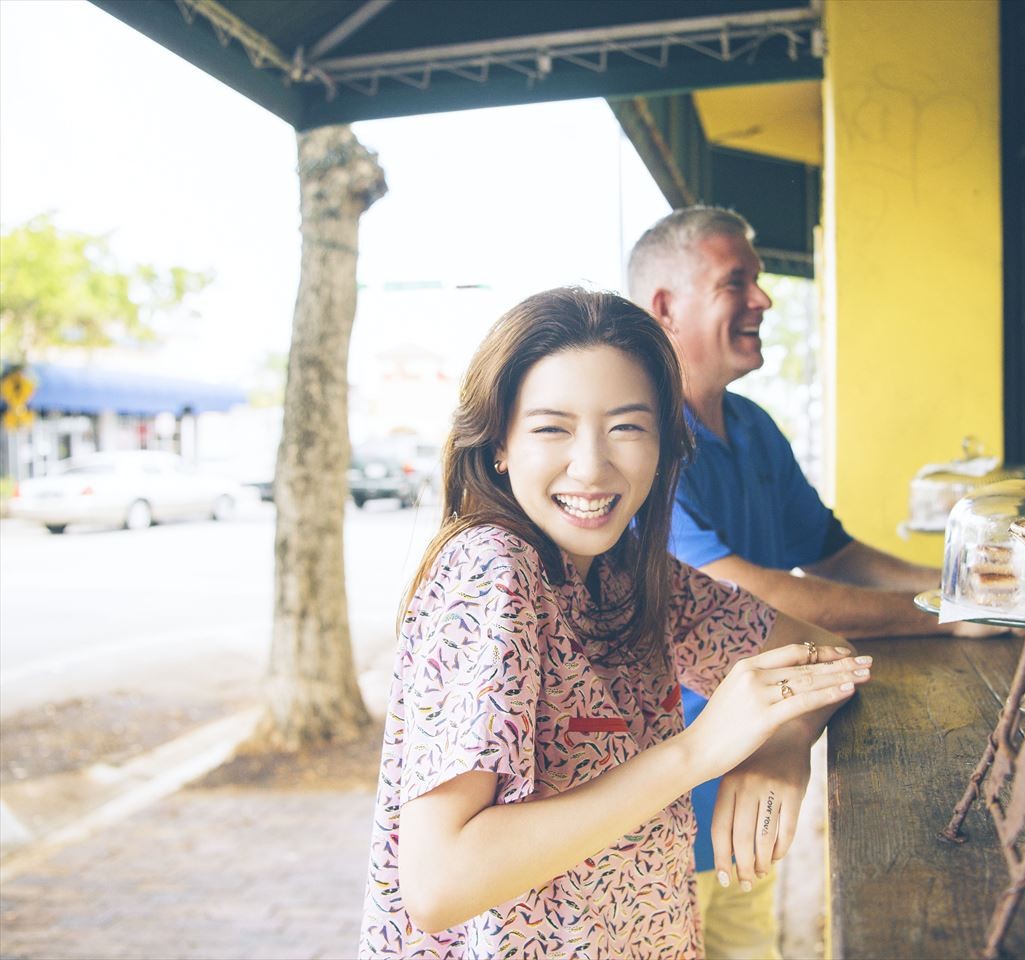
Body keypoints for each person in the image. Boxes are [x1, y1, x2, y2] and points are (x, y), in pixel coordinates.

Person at [358, 288, 873, 959]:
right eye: (552, 428)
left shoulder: (628, 572)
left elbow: (825, 655)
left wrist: (779, 748)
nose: (592, 466)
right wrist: (700, 752)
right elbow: (439, 880)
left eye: (627, 427)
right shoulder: (492, 572)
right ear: (500, 446)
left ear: (662, 445)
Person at [628, 206, 990, 959]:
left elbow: (830, 553)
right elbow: (755, 597)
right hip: (663, 803)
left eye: (758, 282)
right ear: (665, 307)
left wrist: (970, 584)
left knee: (747, 942)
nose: (762, 299)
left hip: (759, 769)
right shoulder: (645, 445)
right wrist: (947, 613)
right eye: (738, 282)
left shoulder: (751, 425)